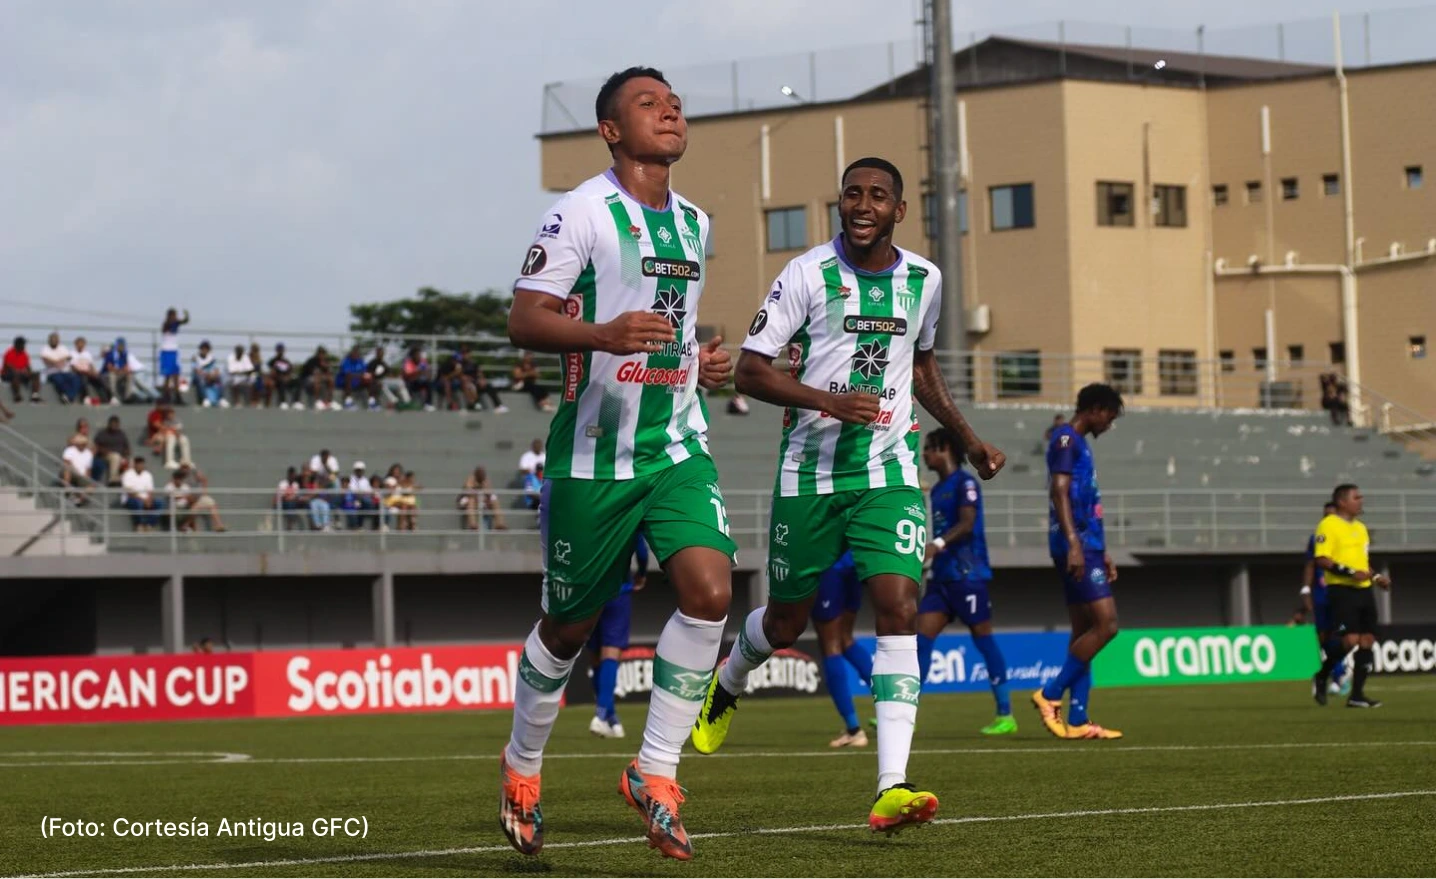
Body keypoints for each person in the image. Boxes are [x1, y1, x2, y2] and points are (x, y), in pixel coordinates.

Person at [691, 156, 1005, 836]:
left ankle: (892, 785)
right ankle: (731, 678)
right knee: (784, 623)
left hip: (888, 474)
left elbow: (921, 366)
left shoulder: (925, 279)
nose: (862, 204)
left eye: (878, 196)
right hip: (809, 475)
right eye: (852, 194)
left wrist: (968, 436)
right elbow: (748, 371)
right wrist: (828, 400)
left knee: (898, 604)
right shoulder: (807, 274)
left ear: (899, 209)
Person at [498, 65, 736, 862]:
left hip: (676, 446)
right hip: (593, 459)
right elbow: (525, 319)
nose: (669, 110)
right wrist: (603, 334)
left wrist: (702, 358)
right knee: (567, 628)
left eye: (672, 102)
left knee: (711, 592)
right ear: (610, 130)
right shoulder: (578, 213)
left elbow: (671, 327)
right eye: (647, 103)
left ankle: (654, 770)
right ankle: (523, 765)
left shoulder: (698, 223)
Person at [1031, 383, 1126, 740]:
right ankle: (1050, 694)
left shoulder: (1077, 442)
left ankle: (1079, 719)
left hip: (1087, 545)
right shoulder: (1066, 439)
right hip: (1076, 546)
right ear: (1096, 409)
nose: (1109, 425)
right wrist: (1075, 544)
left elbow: (1086, 503)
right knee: (1107, 626)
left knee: (1085, 630)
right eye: (1110, 417)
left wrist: (1103, 552)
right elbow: (1058, 491)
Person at [918, 428, 1014, 735]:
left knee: (983, 640)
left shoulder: (966, 482)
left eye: (929, 449)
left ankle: (1005, 714)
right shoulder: (938, 488)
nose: (924, 455)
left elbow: (968, 524)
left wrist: (937, 546)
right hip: (942, 578)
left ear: (945, 448)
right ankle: (900, 709)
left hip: (967, 575)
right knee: (919, 640)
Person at [1311, 484, 1392, 708]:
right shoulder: (1328, 525)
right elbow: (1322, 559)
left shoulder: (1361, 528)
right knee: (1350, 640)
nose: (1361, 500)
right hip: (1342, 590)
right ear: (1342, 502)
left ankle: (1356, 695)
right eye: (1356, 497)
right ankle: (1322, 674)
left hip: (1364, 589)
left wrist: (1376, 578)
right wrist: (1349, 573)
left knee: (1367, 640)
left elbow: (1363, 564)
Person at [811, 551, 875, 748]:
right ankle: (893, 709)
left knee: (831, 645)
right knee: (846, 640)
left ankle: (854, 730)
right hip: (853, 562)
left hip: (827, 564)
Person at [588, 535, 649, 739]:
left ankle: (611, 717)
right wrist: (641, 572)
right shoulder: (630, 515)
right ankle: (601, 715)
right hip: (618, 590)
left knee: (596, 654)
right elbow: (641, 550)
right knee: (610, 651)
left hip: (591, 589)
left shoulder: (595, 510)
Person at [1291, 502, 1349, 697]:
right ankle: (1338, 672)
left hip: (1340, 593)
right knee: (1324, 637)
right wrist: (1306, 588)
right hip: (1321, 594)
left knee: (1339, 633)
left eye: (1331, 516)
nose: (1326, 520)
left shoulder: (1345, 536)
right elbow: (1310, 564)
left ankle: (1339, 673)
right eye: (1324, 515)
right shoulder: (1316, 538)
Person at [167, 465, 226, 532]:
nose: (185, 469)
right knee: (194, 508)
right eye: (183, 467)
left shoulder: (194, 473)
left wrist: (204, 493)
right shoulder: (179, 477)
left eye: (187, 467)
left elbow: (204, 479)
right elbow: (172, 487)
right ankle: (187, 526)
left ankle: (219, 525)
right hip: (188, 500)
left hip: (198, 498)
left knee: (211, 503)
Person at [120, 456, 163, 531]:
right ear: (135, 465)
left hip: (146, 499)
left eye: (142, 464)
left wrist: (149, 499)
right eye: (139, 464)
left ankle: (149, 524)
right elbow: (130, 493)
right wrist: (143, 500)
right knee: (138, 503)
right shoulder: (127, 474)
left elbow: (150, 491)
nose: (141, 466)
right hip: (131, 499)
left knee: (159, 503)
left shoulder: (148, 475)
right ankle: (139, 525)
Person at [459, 466, 506, 531]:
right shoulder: (471, 479)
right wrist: (478, 488)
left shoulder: (485, 480)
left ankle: (499, 524)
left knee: (495, 501)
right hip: (467, 501)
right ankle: (473, 525)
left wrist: (487, 497)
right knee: (471, 501)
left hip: (481, 500)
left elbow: (489, 493)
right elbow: (469, 493)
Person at [39, 332, 82, 404]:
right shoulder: (45, 349)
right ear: (49, 340)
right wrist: (61, 360)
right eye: (52, 339)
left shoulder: (63, 348)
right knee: (60, 380)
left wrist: (57, 361)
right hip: (52, 373)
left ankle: (68, 396)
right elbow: (48, 361)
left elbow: (69, 357)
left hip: (65, 371)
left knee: (76, 379)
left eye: (55, 339)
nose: (54, 341)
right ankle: (68, 396)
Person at [158, 308, 190, 404]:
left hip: (174, 351)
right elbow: (165, 328)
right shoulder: (166, 324)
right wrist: (172, 321)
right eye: (173, 315)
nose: (175, 317)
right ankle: (166, 396)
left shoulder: (176, 323)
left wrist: (186, 315)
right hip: (166, 351)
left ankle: (177, 396)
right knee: (167, 376)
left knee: (176, 375)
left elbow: (185, 321)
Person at [92, 416, 130, 486]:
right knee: (115, 457)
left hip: (120, 456)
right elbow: (96, 446)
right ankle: (112, 479)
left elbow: (127, 448)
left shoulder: (121, 434)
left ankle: (125, 483)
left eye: (116, 424)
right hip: (105, 456)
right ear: (109, 424)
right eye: (112, 424)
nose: (114, 426)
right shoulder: (102, 433)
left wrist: (125, 455)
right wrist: (103, 451)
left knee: (132, 462)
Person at [3, 336, 41, 403]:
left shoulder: (24, 354)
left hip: (21, 374)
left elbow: (28, 366)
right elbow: (9, 366)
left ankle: (35, 395)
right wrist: (20, 371)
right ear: (17, 345)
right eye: (22, 344)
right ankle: (17, 395)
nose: (24, 346)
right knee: (15, 375)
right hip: (7, 374)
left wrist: (29, 372)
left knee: (36, 374)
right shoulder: (9, 353)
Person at [59, 434, 96, 504]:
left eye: (84, 443)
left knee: (91, 487)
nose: (82, 445)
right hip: (72, 472)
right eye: (81, 443)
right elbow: (66, 462)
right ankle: (68, 489)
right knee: (67, 469)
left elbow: (88, 470)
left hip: (81, 476)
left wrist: (86, 479)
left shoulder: (89, 453)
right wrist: (76, 471)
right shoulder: (70, 450)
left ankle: (79, 499)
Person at [343, 461, 380, 530]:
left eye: (360, 470)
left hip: (362, 500)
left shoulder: (365, 480)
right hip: (354, 500)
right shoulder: (351, 479)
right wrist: (361, 494)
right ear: (355, 470)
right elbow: (353, 491)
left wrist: (363, 494)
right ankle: (356, 526)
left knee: (368, 503)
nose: (359, 472)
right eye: (357, 470)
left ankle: (363, 525)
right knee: (357, 505)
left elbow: (369, 491)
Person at [71, 337, 107, 403]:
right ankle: (86, 397)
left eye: (82, 343)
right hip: (78, 373)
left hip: (88, 373)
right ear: (76, 344)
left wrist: (94, 372)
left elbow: (91, 365)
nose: (80, 345)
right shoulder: (72, 354)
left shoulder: (87, 354)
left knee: (99, 380)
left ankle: (107, 397)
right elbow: (73, 367)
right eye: (79, 343)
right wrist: (84, 372)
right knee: (83, 380)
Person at [337, 345, 372, 409]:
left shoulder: (360, 361)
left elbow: (365, 372)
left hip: (358, 381)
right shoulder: (346, 361)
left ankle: (371, 402)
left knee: (369, 378)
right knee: (349, 378)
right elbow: (347, 373)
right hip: (345, 381)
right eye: (354, 352)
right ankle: (348, 402)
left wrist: (364, 376)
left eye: (357, 352)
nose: (356, 353)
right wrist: (359, 375)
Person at [101, 337, 133, 405]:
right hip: (109, 374)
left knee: (130, 375)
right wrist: (118, 371)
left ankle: (127, 397)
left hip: (120, 373)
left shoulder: (125, 354)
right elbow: (109, 367)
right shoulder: (110, 354)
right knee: (112, 375)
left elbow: (126, 366)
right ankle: (114, 396)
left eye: (123, 345)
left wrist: (123, 371)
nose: (122, 347)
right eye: (120, 345)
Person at [191, 340, 223, 407]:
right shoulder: (195, 358)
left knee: (219, 378)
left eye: (206, 349)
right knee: (200, 379)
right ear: (200, 349)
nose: (205, 350)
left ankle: (221, 398)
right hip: (199, 377)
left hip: (210, 376)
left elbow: (216, 369)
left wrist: (214, 375)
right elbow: (196, 370)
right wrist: (206, 375)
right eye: (203, 348)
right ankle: (205, 399)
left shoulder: (211, 358)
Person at [300, 346, 333, 410]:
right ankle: (317, 401)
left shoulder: (325, 361)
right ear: (317, 353)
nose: (322, 355)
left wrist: (325, 367)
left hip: (319, 378)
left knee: (330, 380)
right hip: (307, 379)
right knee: (316, 380)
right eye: (320, 353)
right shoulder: (312, 361)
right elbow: (314, 374)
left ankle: (329, 401)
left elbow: (328, 373)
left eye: (323, 353)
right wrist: (322, 376)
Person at [267, 343, 298, 408]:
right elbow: (272, 372)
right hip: (277, 380)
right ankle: (283, 402)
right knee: (281, 382)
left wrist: (288, 377)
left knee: (297, 382)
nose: (281, 351)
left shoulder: (286, 361)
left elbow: (290, 371)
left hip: (287, 379)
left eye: (282, 350)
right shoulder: (273, 361)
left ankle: (296, 402)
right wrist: (280, 377)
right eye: (279, 350)